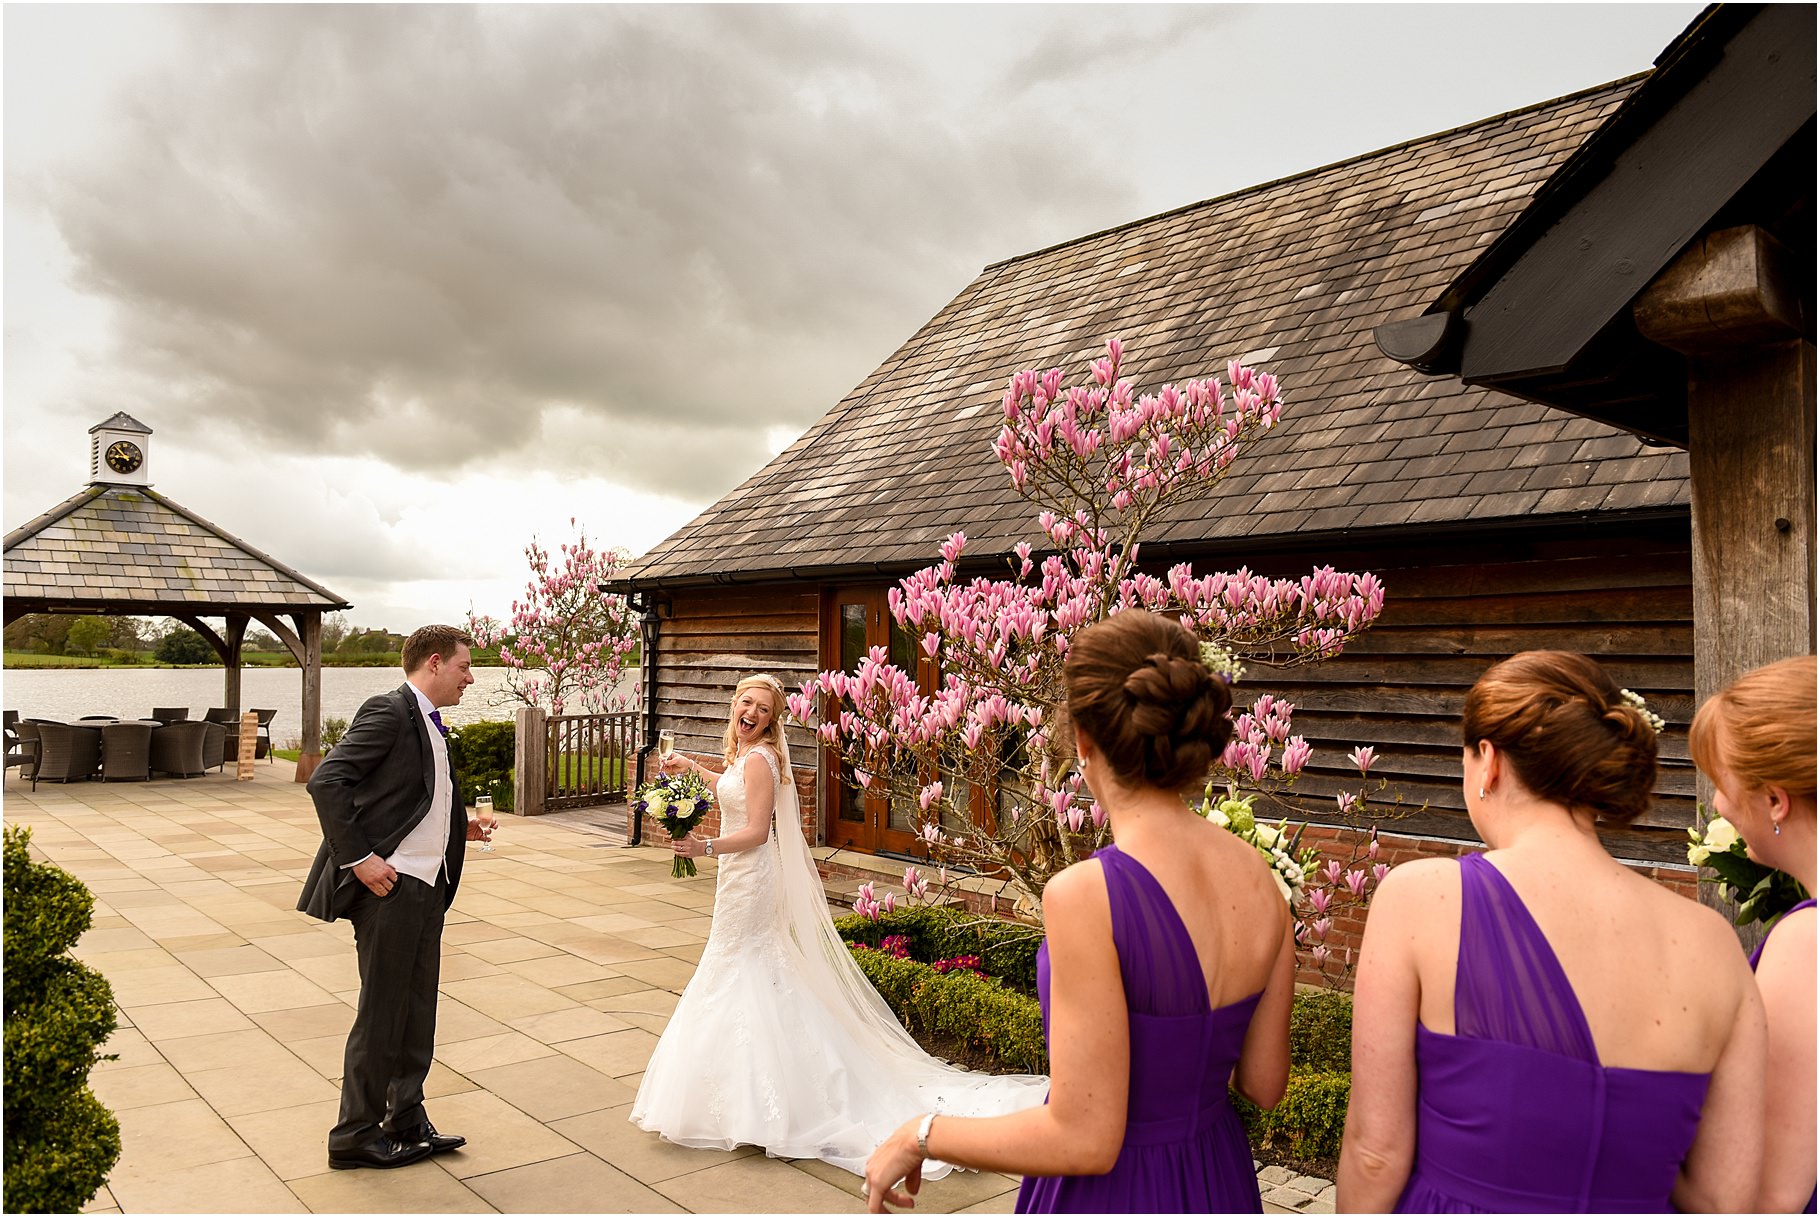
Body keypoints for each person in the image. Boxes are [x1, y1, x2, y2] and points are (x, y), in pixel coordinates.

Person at [863, 609, 1296, 1214]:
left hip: (1118, 1193)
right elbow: (1264, 1084)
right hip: (1217, 1176)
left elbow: (1085, 1138)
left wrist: (922, 1133)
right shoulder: (1264, 882)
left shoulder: (1086, 896)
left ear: (1084, 741)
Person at [1338, 650, 1765, 1212]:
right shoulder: (1713, 942)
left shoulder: (1424, 897)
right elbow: (1724, 1198)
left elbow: (1376, 1151)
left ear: (1487, 761)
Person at [628, 674, 1049, 1176]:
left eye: (763, 709)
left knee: (743, 964)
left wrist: (704, 848)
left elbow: (759, 832)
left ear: (773, 719)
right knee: (744, 965)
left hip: (750, 876)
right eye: (746, 702)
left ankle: (769, 1100)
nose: (752, 713)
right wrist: (693, 766)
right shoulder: (745, 756)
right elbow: (730, 790)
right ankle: (744, 1093)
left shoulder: (761, 757)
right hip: (737, 879)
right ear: (734, 705)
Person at [297, 624, 489, 1171]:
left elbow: (417, 796)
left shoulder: (432, 724)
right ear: (434, 663)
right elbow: (327, 782)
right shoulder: (388, 711)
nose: (470, 677)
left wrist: (462, 831)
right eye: (464, 667)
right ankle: (354, 1135)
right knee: (382, 1014)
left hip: (429, 889)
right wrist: (359, 859)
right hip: (390, 889)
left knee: (416, 1012)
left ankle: (405, 1119)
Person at [1689, 655, 1816, 1212]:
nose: (1718, 803)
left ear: (1774, 799)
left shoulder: (1808, 944)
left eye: (1721, 782)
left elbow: (1772, 1193)